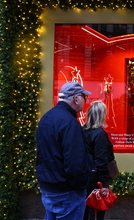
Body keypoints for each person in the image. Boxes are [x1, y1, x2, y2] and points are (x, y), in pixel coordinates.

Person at [36, 81, 92, 220]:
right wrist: (80, 186)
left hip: (49, 187)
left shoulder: (46, 118)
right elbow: (75, 162)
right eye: (84, 98)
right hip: (67, 191)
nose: (85, 101)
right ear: (76, 98)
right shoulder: (69, 122)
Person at [83, 101, 115, 220]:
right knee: (96, 211)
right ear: (102, 115)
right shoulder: (100, 134)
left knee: (85, 211)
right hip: (96, 179)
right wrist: (105, 184)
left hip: (84, 175)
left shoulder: (83, 131)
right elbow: (101, 161)